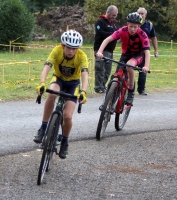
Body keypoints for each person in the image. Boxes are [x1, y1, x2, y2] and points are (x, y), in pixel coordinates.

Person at [34, 30, 89, 159]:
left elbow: (85, 73)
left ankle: (64, 141)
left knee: (67, 116)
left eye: (74, 48)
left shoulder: (81, 56)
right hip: (58, 79)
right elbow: (47, 66)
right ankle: (43, 127)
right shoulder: (57, 50)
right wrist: (42, 83)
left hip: (73, 84)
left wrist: (83, 91)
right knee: (52, 94)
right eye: (68, 47)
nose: (71, 51)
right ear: (63, 46)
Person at [96, 12, 150, 106]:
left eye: (135, 27)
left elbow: (147, 52)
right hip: (125, 55)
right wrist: (100, 51)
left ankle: (131, 89)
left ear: (139, 26)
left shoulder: (143, 35)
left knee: (129, 66)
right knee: (115, 78)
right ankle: (107, 102)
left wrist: (146, 66)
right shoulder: (122, 30)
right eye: (131, 26)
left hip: (138, 55)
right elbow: (108, 39)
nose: (132, 29)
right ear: (127, 24)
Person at [93, 5, 118, 94]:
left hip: (110, 50)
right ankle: (98, 87)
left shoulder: (114, 23)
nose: (114, 17)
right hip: (100, 49)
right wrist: (112, 34)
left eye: (115, 15)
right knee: (100, 68)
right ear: (108, 12)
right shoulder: (100, 21)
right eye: (113, 15)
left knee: (108, 70)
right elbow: (100, 33)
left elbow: (118, 33)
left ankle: (103, 86)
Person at [137, 7, 159, 95]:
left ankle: (141, 89)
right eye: (139, 13)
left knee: (143, 70)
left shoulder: (149, 25)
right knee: (128, 68)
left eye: (142, 13)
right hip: (133, 50)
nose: (140, 15)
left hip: (144, 51)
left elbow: (154, 37)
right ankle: (129, 88)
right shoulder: (133, 23)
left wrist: (156, 50)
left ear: (145, 15)